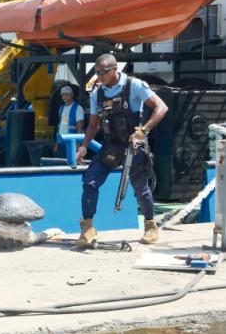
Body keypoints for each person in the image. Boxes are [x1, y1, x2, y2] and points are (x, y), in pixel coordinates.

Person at [75, 53, 168, 246]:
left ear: (114, 69)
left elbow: (161, 107)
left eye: (102, 72)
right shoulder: (97, 94)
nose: (99, 76)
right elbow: (93, 124)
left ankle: (150, 226)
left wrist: (144, 130)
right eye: (97, 73)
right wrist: (84, 146)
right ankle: (88, 228)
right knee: (90, 181)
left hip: (133, 146)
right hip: (111, 146)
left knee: (141, 188)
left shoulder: (134, 85)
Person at [55, 85, 85, 157]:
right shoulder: (61, 108)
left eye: (67, 94)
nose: (65, 97)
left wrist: (78, 143)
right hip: (61, 142)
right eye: (63, 95)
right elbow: (60, 127)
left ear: (72, 95)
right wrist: (57, 142)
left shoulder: (78, 108)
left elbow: (80, 127)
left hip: (72, 142)